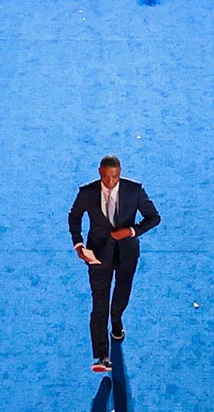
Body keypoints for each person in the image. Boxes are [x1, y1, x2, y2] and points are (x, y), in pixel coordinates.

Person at [67, 156, 162, 373]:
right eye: (107, 177)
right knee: (99, 303)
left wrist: (131, 231)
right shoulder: (87, 192)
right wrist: (79, 244)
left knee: (120, 298)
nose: (111, 182)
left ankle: (117, 321)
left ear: (120, 173)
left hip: (127, 254)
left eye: (115, 177)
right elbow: (74, 216)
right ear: (100, 171)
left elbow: (154, 217)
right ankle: (102, 356)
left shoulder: (134, 190)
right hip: (98, 256)